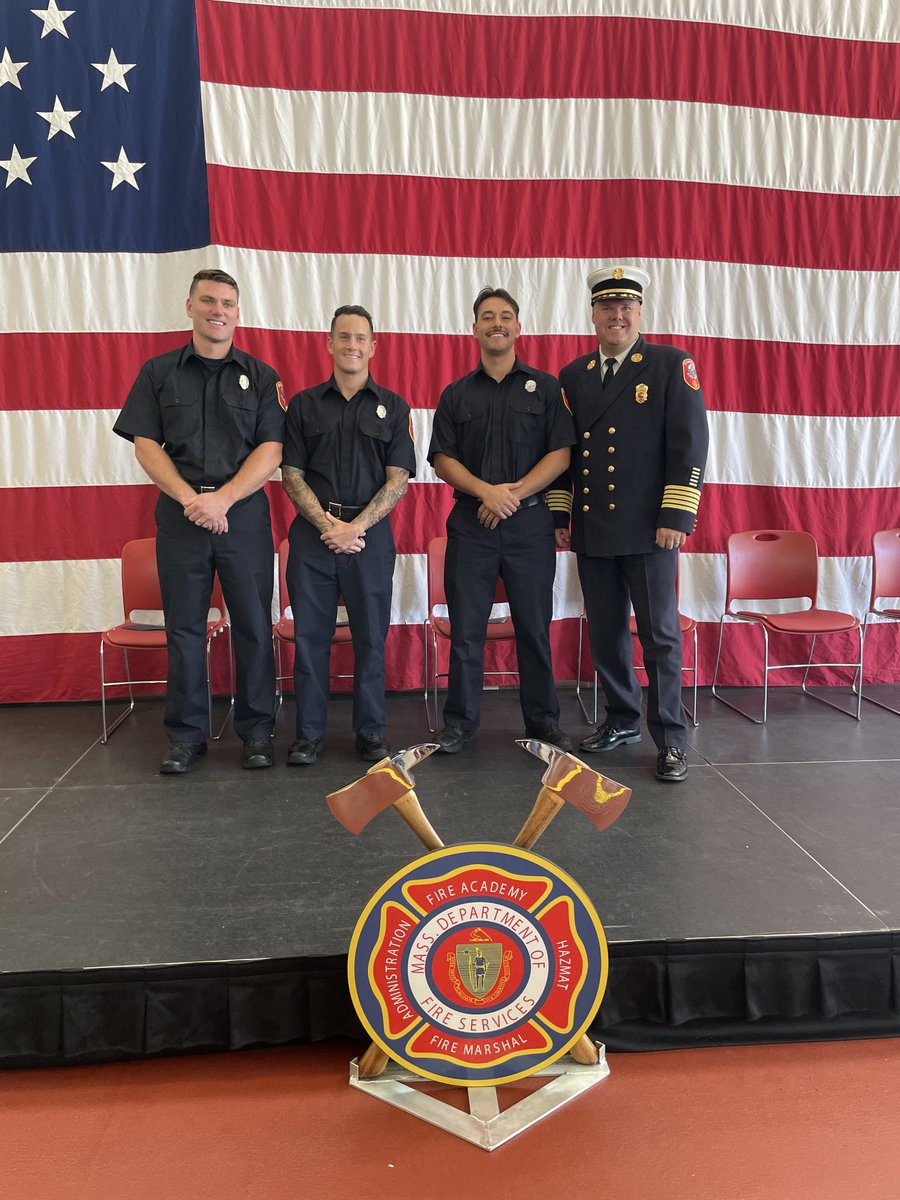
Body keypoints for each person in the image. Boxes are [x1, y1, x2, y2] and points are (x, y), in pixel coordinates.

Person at [114, 268, 285, 774]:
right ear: (189, 306)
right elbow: (146, 444)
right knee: (185, 630)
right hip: (182, 516)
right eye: (208, 301)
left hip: (244, 519)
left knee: (253, 626)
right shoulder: (157, 372)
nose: (218, 310)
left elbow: (271, 450)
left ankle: (257, 734)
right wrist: (194, 500)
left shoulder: (262, 377)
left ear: (238, 311)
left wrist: (223, 500)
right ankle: (186, 738)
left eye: (227, 303)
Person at [556, 265, 709, 782]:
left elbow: (689, 445)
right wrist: (562, 513)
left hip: (650, 529)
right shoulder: (574, 376)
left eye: (626, 305)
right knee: (605, 634)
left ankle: (670, 738)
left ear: (640, 311)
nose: (616, 314)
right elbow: (565, 452)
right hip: (594, 527)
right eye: (606, 306)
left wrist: (676, 515)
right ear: (593, 313)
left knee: (660, 636)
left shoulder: (670, 365)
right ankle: (621, 719)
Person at [427, 287, 575, 753]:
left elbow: (561, 454)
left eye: (505, 316)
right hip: (471, 525)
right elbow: (441, 459)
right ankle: (460, 724)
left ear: (518, 327)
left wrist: (512, 495)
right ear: (474, 329)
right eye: (487, 316)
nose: (497, 323)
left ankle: (544, 722)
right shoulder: (456, 394)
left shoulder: (547, 388)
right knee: (467, 628)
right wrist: (486, 492)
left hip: (529, 525)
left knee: (534, 627)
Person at [281, 305, 416, 766]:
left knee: (371, 640)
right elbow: (291, 474)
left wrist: (355, 528)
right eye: (343, 336)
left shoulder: (394, 407)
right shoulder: (302, 405)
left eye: (360, 337)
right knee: (310, 639)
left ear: (373, 346)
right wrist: (328, 527)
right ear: (329, 343)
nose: (351, 345)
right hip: (313, 537)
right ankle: (308, 736)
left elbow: (398, 478)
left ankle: (371, 734)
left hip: (369, 537)